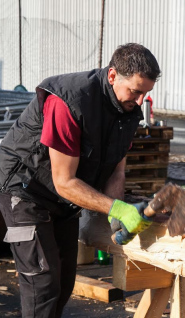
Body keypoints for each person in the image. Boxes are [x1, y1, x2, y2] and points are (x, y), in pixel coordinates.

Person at [0, 43, 161, 317]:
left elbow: (116, 170)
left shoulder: (127, 112)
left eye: (146, 92)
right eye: (135, 90)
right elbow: (64, 180)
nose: (140, 99)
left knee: (63, 284)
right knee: (43, 284)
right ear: (113, 76)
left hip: (63, 199)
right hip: (25, 190)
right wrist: (116, 208)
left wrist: (115, 216)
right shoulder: (70, 100)